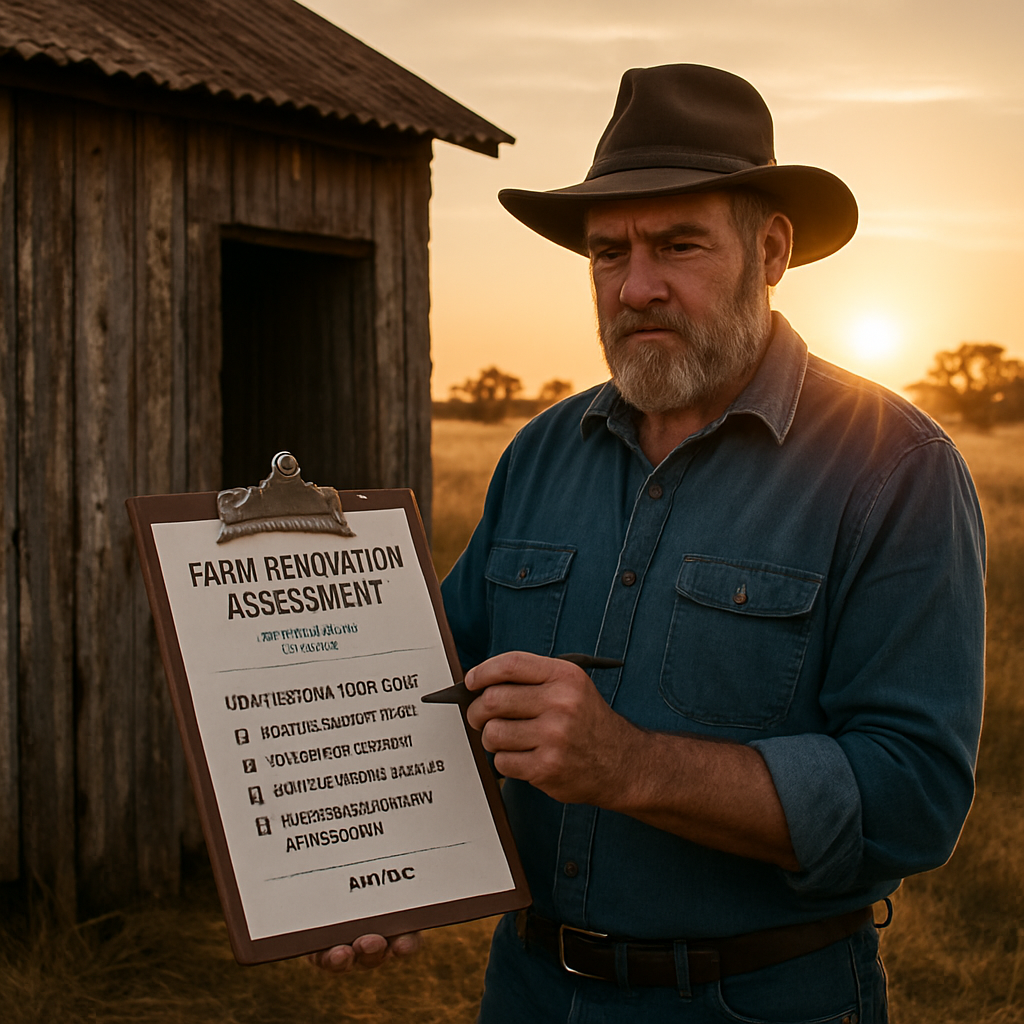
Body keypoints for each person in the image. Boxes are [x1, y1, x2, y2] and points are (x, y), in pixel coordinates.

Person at [313, 63, 985, 1024]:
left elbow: (912, 796)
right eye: (606, 253)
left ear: (772, 248)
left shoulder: (896, 468)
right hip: (531, 992)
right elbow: (437, 695)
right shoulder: (541, 454)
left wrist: (630, 766)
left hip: (760, 1001)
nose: (636, 287)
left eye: (678, 245)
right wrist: (371, 866)